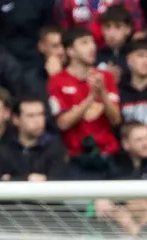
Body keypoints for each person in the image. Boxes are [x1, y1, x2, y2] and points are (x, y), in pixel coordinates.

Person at [49, 27, 122, 158]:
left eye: (93, 42)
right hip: (75, 156)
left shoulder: (105, 77)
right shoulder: (57, 81)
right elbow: (62, 124)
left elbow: (116, 120)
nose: (92, 47)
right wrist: (91, 98)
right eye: (84, 43)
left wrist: (103, 94)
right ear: (70, 51)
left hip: (107, 153)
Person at [0, 96, 67, 181]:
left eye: (40, 114)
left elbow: (58, 183)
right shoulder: (3, 149)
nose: (38, 120)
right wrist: (27, 179)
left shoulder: (55, 149)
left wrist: (10, 179)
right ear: (16, 119)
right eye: (30, 116)